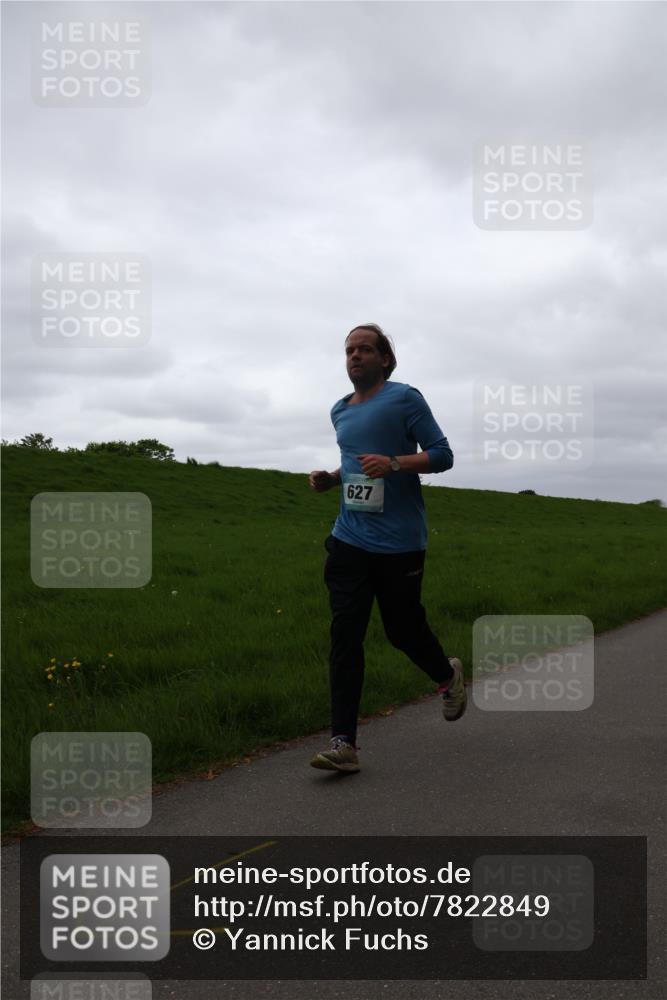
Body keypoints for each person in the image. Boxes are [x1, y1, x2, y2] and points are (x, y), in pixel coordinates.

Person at [308, 323, 466, 774]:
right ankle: (344, 744)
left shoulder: (405, 399)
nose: (354, 356)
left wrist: (395, 463)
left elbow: (442, 455)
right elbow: (353, 463)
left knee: (402, 631)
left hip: (399, 544)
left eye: (364, 349)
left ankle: (445, 675)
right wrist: (333, 479)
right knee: (345, 636)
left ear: (385, 359)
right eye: (349, 350)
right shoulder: (339, 410)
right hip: (349, 540)